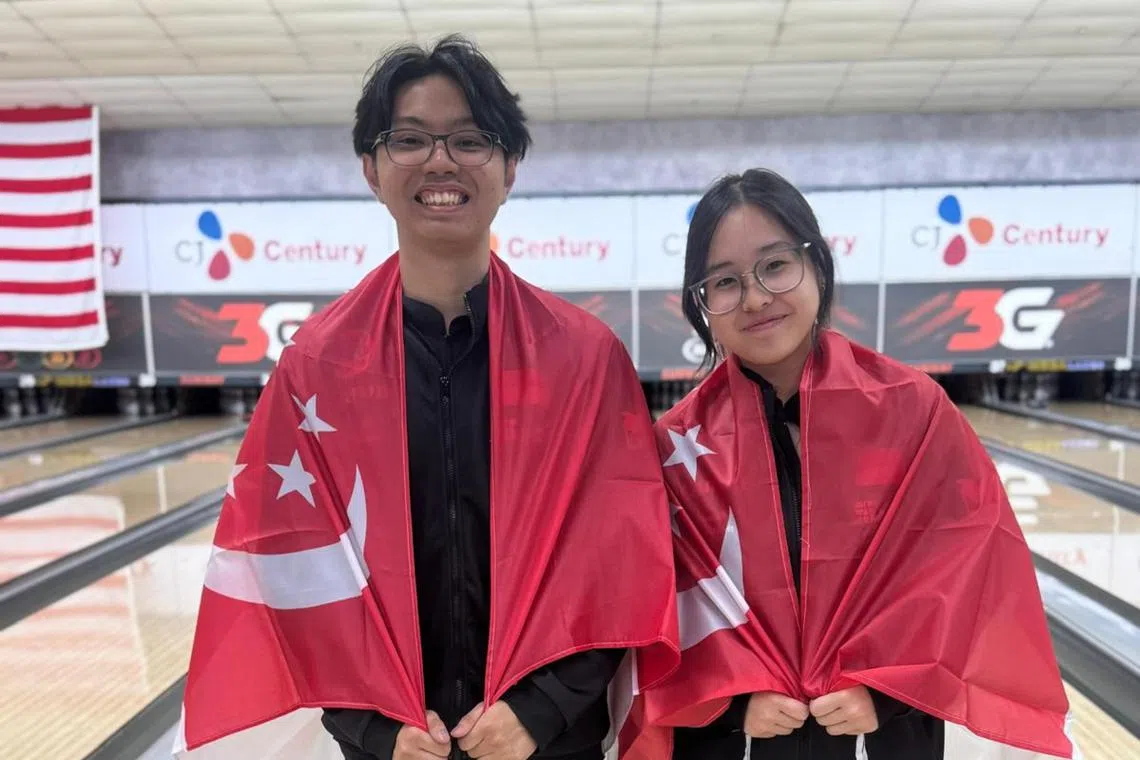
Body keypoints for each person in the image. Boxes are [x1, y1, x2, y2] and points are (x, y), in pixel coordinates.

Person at [175, 35, 678, 760]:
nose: (441, 162)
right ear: (371, 169)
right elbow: (289, 569)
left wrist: (537, 712)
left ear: (509, 168)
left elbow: (625, 560)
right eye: (410, 140)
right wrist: (376, 728)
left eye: (470, 140)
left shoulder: (585, 357)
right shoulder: (317, 364)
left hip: (546, 743)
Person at [617, 169, 1075, 760]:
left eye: (775, 265)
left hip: (882, 734)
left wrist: (886, 694)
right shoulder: (675, 447)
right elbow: (660, 615)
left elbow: (964, 577)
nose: (755, 297)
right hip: (736, 742)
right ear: (701, 302)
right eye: (724, 282)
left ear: (817, 264)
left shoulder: (915, 410)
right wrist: (732, 704)